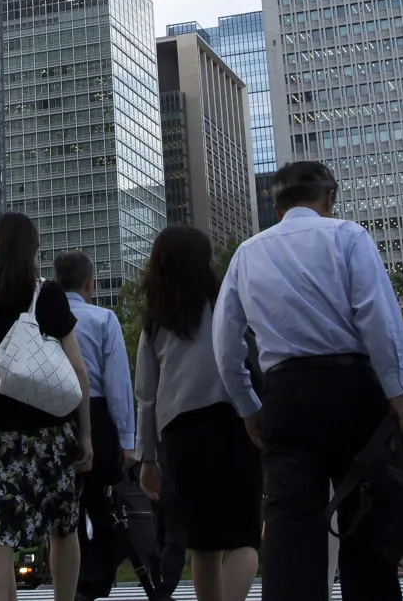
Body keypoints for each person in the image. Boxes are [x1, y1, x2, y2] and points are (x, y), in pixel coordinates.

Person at [213, 160, 403, 601]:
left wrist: (248, 406)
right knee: (366, 516)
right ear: (329, 198)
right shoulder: (348, 235)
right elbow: (379, 318)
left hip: (285, 392)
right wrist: (398, 392)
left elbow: (225, 342)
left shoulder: (248, 252)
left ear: (277, 204)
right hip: (353, 388)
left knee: (290, 523)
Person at [0, 212, 94, 601]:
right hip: (50, 433)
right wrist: (86, 433)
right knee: (65, 525)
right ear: (30, 252)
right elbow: (77, 367)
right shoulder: (48, 294)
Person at [134, 225, 261, 601]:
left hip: (182, 432)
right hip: (238, 421)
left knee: (202, 543)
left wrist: (147, 458)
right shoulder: (230, 301)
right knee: (243, 537)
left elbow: (147, 396)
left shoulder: (156, 320)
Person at [53, 249, 136, 601]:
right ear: (89, 283)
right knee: (101, 507)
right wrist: (128, 439)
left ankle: (79, 582)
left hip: (54, 415)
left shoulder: (41, 318)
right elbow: (118, 383)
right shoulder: (103, 319)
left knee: (67, 513)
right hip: (98, 415)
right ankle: (92, 582)